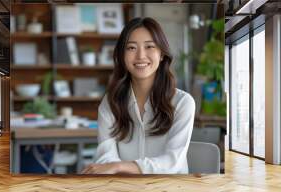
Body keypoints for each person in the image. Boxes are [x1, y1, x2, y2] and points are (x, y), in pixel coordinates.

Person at [81, 17, 195, 174]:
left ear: (161, 54)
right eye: (131, 48)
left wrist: (121, 166)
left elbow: (172, 161)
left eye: (149, 46)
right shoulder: (110, 102)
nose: (141, 56)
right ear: (122, 56)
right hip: (124, 190)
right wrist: (115, 168)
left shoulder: (183, 102)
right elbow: (106, 157)